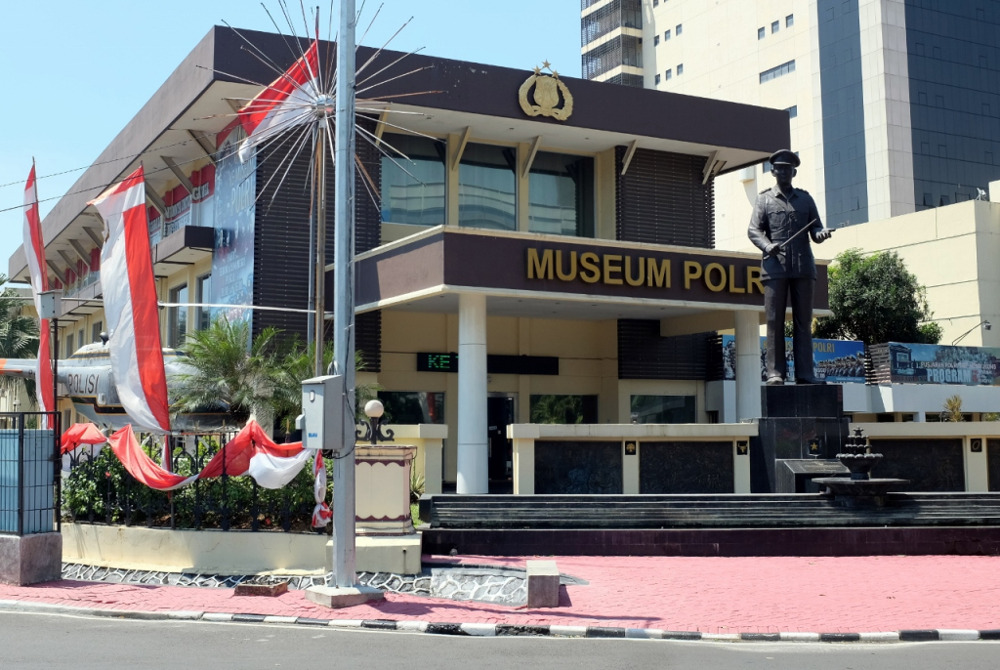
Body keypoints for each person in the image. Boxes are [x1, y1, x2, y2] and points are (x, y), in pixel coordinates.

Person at [748, 149, 832, 385]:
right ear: (773, 171)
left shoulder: (805, 200)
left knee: (803, 322)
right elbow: (753, 230)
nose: (784, 171)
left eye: (788, 168)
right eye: (780, 168)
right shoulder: (764, 199)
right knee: (774, 321)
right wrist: (767, 245)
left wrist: (821, 233)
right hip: (775, 268)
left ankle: (805, 374)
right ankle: (775, 373)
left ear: (794, 172)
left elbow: (815, 230)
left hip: (803, 267)